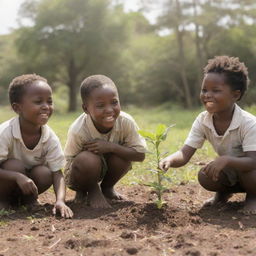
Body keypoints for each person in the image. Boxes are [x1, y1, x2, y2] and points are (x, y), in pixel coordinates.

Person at [160, 56, 256, 215]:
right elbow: (185, 153)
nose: (207, 95)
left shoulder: (249, 123)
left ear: (236, 95)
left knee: (249, 172)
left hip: (252, 170)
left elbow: (253, 162)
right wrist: (169, 160)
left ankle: (253, 197)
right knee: (205, 176)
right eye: (204, 90)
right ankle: (223, 193)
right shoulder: (203, 120)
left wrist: (225, 160)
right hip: (234, 171)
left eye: (216, 90)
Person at [64, 74, 147, 208]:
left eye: (114, 102)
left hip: (107, 167)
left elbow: (140, 155)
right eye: (100, 105)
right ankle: (90, 191)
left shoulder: (126, 122)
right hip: (80, 172)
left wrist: (111, 147)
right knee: (87, 159)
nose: (109, 110)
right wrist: (81, 188)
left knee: (122, 156)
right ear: (86, 109)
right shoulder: (78, 130)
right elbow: (69, 163)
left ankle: (107, 188)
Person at [0, 74, 73, 218]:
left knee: (45, 172)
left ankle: (29, 201)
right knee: (14, 166)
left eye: (49, 101)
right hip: (4, 185)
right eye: (38, 102)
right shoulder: (5, 133)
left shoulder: (49, 137)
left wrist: (60, 201)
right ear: (17, 108)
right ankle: (3, 201)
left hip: (29, 185)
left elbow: (57, 174)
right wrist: (17, 177)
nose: (46, 106)